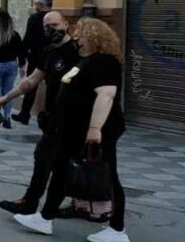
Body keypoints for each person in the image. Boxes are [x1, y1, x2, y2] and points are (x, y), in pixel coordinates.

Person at [13, 18, 128, 242]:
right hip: (72, 129)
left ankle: (117, 229)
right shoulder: (84, 61)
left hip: (95, 131)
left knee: (109, 175)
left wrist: (95, 129)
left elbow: (106, 95)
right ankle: (45, 218)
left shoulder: (104, 62)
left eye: (81, 33)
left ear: (93, 37)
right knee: (61, 170)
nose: (76, 37)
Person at [0, 11, 80, 216]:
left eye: (55, 25)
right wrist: (7, 97)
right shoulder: (49, 52)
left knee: (52, 161)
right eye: (47, 26)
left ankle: (36, 206)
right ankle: (40, 205)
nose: (51, 30)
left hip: (71, 117)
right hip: (53, 117)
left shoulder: (76, 51)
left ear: (66, 24)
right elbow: (32, 80)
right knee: (50, 161)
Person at [14, 0, 53, 125]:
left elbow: (28, 39)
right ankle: (51, 115)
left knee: (30, 86)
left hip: (37, 58)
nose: (35, 7)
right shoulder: (56, 18)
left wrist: (22, 57)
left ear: (41, 5)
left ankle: (25, 114)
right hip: (53, 57)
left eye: (36, 4)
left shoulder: (34, 19)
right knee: (53, 87)